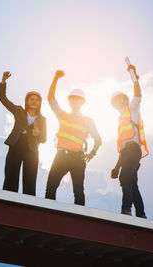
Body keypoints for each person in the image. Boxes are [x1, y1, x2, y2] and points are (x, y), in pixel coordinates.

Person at [45, 70, 102, 205]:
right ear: (69, 101)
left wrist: (92, 153)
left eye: (78, 99)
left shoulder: (88, 120)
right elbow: (51, 99)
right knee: (51, 188)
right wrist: (55, 79)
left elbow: (98, 139)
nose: (75, 101)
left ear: (82, 102)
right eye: (73, 98)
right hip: (61, 156)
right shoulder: (62, 115)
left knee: (78, 190)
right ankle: (49, 215)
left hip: (78, 158)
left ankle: (80, 220)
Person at [0, 71, 47, 196]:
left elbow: (44, 139)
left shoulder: (42, 119)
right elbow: (3, 99)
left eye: (37, 100)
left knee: (30, 179)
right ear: (27, 101)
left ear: (39, 103)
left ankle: (28, 204)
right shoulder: (19, 111)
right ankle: (8, 199)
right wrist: (3, 82)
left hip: (32, 149)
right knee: (11, 175)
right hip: (16, 144)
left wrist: (39, 133)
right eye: (31, 99)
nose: (34, 101)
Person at [110, 64, 149, 218]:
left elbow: (138, 95)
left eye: (121, 99)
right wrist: (116, 167)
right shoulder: (120, 120)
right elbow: (122, 148)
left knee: (124, 178)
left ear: (125, 99)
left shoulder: (132, 108)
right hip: (126, 153)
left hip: (133, 151)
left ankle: (126, 210)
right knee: (132, 184)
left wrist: (134, 77)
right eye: (116, 101)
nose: (119, 102)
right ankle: (141, 214)